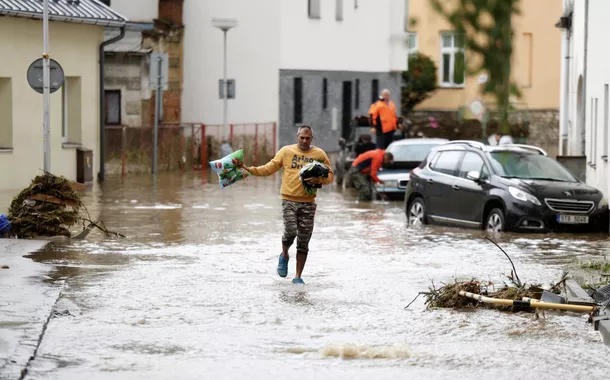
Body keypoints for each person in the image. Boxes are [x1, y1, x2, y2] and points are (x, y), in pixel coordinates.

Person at [240, 125, 334, 285]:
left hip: (308, 203)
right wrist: (249, 170)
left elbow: (330, 175)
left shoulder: (319, 154)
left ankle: (297, 276)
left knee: (304, 240)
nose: (304, 140)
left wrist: (319, 180)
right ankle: (284, 255)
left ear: (311, 139)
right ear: (297, 137)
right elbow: (269, 168)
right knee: (291, 232)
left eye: (307, 138)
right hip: (288, 200)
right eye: (302, 137)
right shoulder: (286, 151)